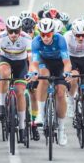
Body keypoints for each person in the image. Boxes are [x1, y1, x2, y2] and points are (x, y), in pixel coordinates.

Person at [29, 18, 73, 146]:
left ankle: (61, 129)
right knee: (43, 77)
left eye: (48, 34)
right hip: (45, 63)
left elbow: (67, 63)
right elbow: (34, 63)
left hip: (59, 64)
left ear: (53, 32)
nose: (45, 37)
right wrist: (34, 73)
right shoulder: (36, 42)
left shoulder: (60, 39)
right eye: (42, 34)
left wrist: (67, 73)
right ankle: (41, 115)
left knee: (60, 93)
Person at [0, 16, 33, 144]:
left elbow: (31, 60)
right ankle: (2, 105)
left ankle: (21, 128)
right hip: (6, 60)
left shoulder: (27, 38)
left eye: (16, 31)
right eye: (11, 31)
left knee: (20, 92)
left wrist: (31, 72)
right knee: (4, 73)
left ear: (20, 29)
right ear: (7, 30)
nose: (14, 34)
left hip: (21, 63)